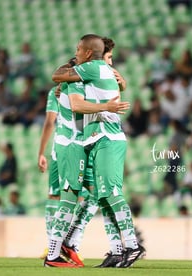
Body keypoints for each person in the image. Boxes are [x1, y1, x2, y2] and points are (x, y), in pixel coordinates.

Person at [51, 34, 145, 268]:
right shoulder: (90, 73)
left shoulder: (95, 68)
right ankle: (116, 250)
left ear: (88, 53)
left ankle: (132, 246)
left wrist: (71, 68)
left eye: (79, 49)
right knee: (103, 197)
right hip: (92, 139)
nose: (112, 65)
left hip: (106, 138)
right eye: (109, 57)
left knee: (111, 193)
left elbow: (59, 78)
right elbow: (67, 90)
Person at [37, 84, 61, 258]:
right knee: (81, 197)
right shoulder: (57, 90)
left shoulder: (56, 90)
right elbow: (49, 122)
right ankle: (66, 246)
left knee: (55, 195)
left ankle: (55, 246)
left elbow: (49, 122)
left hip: (62, 147)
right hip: (82, 146)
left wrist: (41, 153)